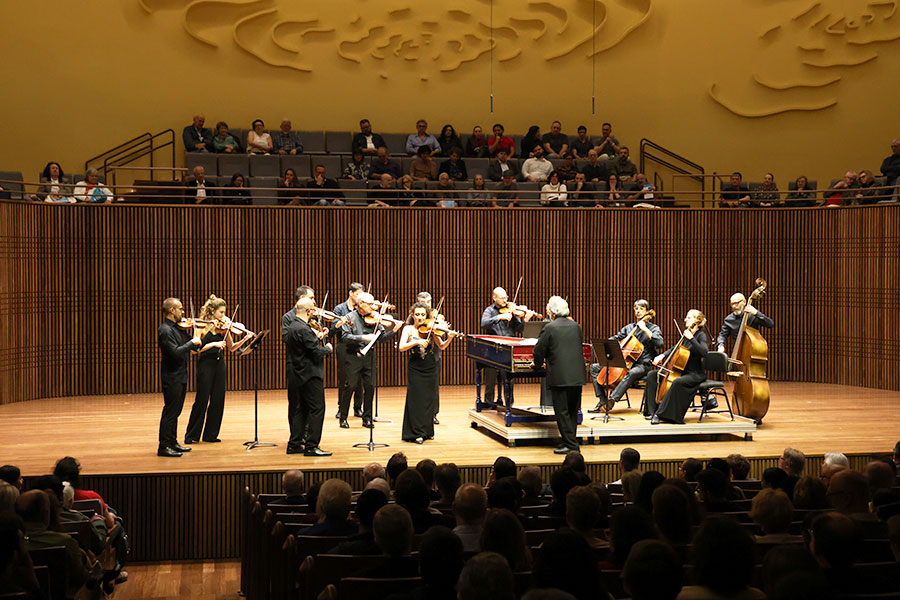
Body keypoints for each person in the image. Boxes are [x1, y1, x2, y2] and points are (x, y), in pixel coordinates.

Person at [184, 295, 250, 445]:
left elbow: (232, 348)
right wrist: (213, 344)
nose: (224, 316)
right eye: (221, 312)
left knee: (218, 399)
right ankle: (192, 435)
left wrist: (244, 340)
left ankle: (210, 434)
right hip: (205, 365)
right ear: (212, 311)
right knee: (202, 399)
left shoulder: (223, 327)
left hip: (220, 364)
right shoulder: (200, 326)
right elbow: (195, 351)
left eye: (225, 312)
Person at [588, 299, 663, 413]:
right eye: (636, 309)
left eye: (641, 309)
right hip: (625, 362)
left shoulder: (653, 328)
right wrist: (607, 343)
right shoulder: (629, 328)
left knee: (631, 373)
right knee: (594, 368)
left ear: (647, 311)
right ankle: (603, 401)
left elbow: (660, 343)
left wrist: (645, 329)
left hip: (642, 364)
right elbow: (616, 337)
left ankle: (612, 400)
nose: (638, 311)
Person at [399, 302, 458, 443]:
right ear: (412, 315)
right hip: (415, 367)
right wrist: (416, 343)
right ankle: (415, 432)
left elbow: (442, 346)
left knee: (428, 399)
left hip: (430, 367)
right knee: (416, 399)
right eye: (417, 314)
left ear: (426, 316)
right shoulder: (407, 329)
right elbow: (401, 347)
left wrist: (449, 338)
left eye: (423, 315)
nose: (420, 317)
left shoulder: (431, 329)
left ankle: (427, 431)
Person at [532, 296, 585, 454]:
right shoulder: (576, 326)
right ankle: (571, 441)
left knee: (562, 412)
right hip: (577, 375)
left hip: (560, 376)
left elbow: (538, 351)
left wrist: (538, 363)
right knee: (572, 411)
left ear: (552, 311)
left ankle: (571, 446)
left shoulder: (550, 327)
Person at [339, 292, 397, 427]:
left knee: (370, 387)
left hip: (369, 356)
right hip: (353, 355)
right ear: (360, 304)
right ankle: (343, 417)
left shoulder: (375, 319)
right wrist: (363, 337)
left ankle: (367, 418)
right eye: (370, 304)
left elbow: (381, 338)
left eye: (373, 304)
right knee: (350, 386)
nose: (373, 307)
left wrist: (394, 331)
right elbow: (345, 337)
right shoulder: (349, 317)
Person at [284, 297, 333, 455]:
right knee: (317, 409)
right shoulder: (304, 329)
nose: (314, 313)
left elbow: (305, 347)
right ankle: (312, 446)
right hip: (310, 375)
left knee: (302, 409)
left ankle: (294, 444)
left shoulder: (293, 326)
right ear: (307, 311)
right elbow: (316, 352)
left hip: (299, 374)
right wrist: (327, 348)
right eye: (313, 310)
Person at [644, 309, 709, 425]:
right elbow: (675, 348)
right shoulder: (685, 335)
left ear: (696, 321)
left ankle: (661, 414)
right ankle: (651, 411)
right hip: (682, 371)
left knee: (677, 382)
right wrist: (662, 355)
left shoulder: (700, 336)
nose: (685, 320)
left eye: (688, 318)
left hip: (695, 374)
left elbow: (704, 352)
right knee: (652, 375)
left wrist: (692, 339)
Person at [157, 298, 201, 457]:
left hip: (180, 375)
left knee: (176, 411)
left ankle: (173, 442)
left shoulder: (178, 328)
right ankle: (163, 446)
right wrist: (192, 343)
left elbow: (192, 344)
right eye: (181, 309)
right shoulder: (165, 330)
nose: (183, 312)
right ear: (171, 311)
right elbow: (175, 352)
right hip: (172, 376)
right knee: (170, 412)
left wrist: (197, 337)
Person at [480, 287, 536, 405]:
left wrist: (525, 319)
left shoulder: (511, 310)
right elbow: (483, 324)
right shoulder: (489, 310)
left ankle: (509, 405)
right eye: (502, 298)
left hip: (508, 348)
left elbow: (519, 329)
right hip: (493, 349)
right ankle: (488, 404)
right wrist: (499, 317)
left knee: (509, 379)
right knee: (490, 379)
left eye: (506, 297)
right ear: (494, 298)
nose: (505, 300)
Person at [332, 283, 365, 422]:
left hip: (358, 344)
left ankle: (358, 407)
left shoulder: (362, 308)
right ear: (351, 293)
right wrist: (339, 325)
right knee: (345, 378)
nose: (359, 297)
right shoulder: (340, 309)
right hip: (344, 345)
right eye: (358, 294)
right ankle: (342, 408)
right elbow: (333, 329)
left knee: (360, 378)